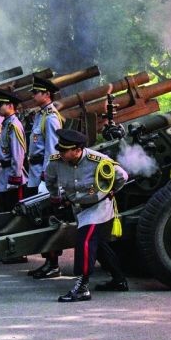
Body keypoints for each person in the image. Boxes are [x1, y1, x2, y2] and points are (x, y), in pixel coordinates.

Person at [47, 128, 129, 302]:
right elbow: (50, 180)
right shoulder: (56, 162)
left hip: (98, 207)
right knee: (98, 245)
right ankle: (119, 280)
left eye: (64, 150)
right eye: (59, 149)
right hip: (78, 208)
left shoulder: (98, 161)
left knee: (84, 240)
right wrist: (56, 198)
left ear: (77, 150)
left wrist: (110, 191)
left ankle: (82, 287)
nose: (60, 153)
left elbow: (122, 175)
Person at [27, 76, 64, 280]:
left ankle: (54, 263)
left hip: (44, 176)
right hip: (35, 172)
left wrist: (48, 176)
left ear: (46, 94)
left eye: (36, 92)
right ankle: (47, 262)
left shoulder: (50, 117)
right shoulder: (40, 115)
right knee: (40, 221)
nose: (33, 95)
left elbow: (53, 150)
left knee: (49, 219)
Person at [0, 89, 28, 213]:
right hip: (5, 172)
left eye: (1, 105)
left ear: (10, 106)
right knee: (6, 209)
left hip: (12, 176)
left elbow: (18, 154)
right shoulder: (7, 124)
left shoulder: (14, 125)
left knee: (15, 211)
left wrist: (14, 178)